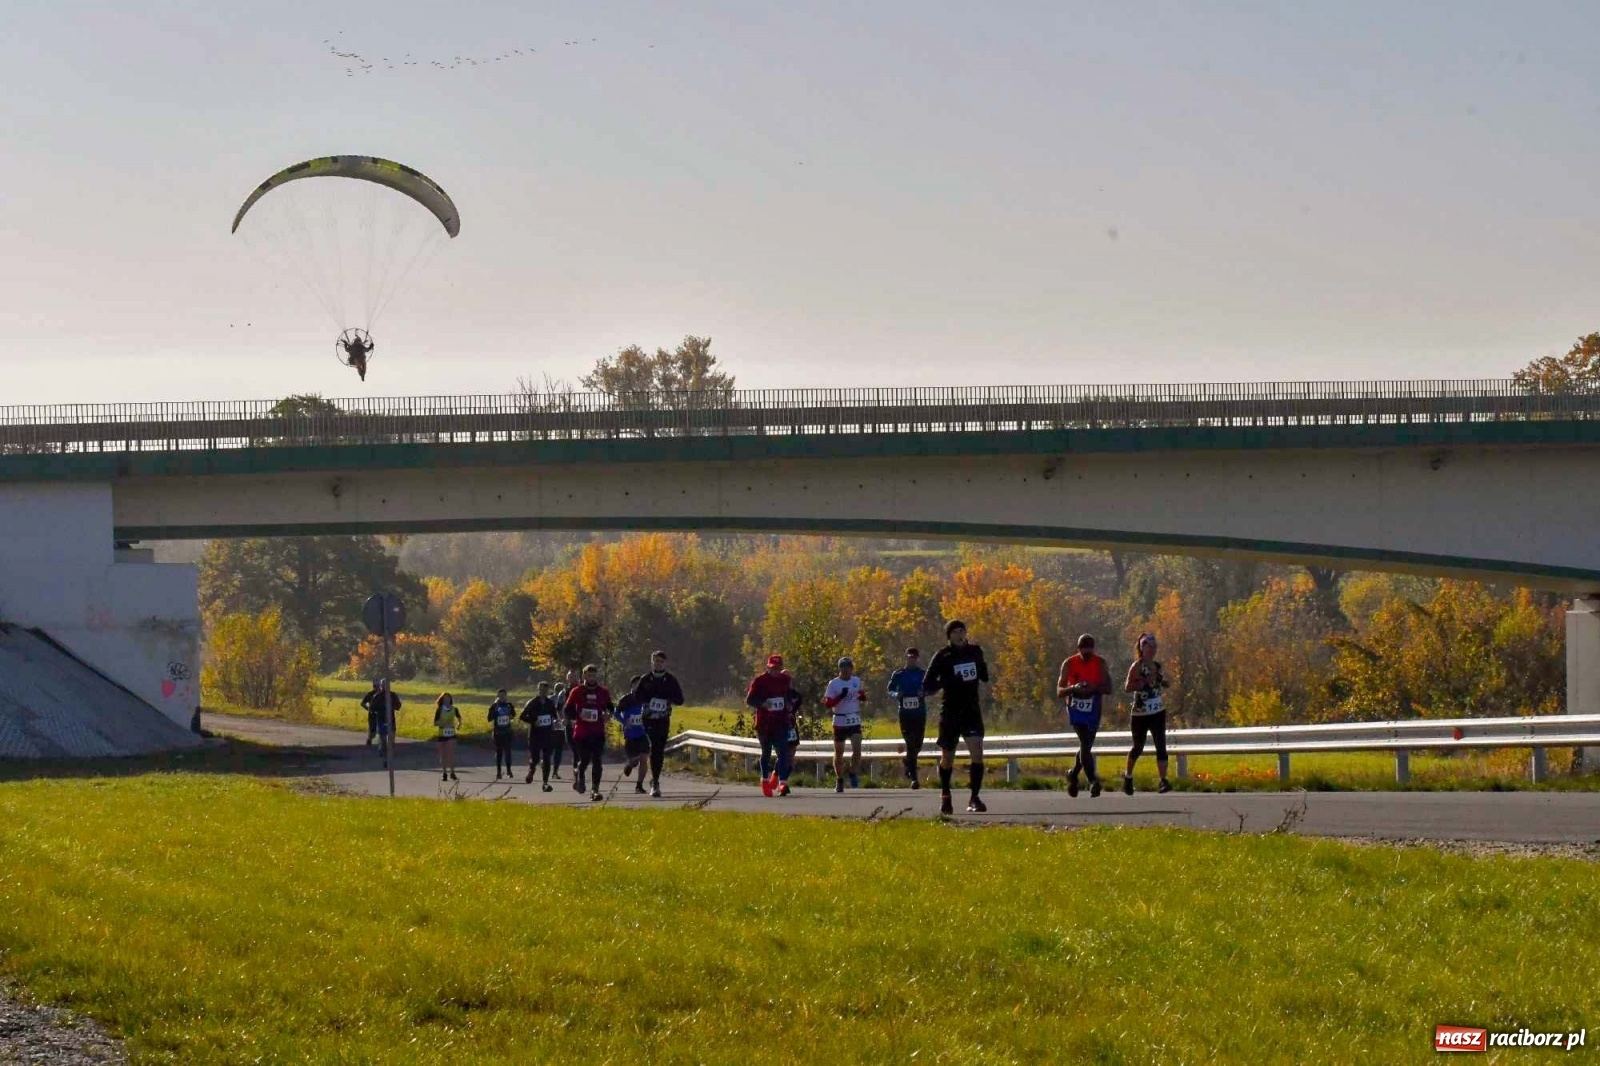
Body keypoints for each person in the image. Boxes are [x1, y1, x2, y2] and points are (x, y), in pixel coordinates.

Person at [923, 620, 989, 815]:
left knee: (977, 753)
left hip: (971, 710)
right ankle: (945, 795)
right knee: (947, 758)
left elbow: (984, 676)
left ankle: (974, 797)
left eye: (962, 630)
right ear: (949, 636)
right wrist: (948, 680)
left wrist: (982, 669)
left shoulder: (975, 651)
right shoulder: (943, 656)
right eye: (956, 632)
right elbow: (927, 685)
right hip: (950, 711)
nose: (960, 634)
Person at [1057, 634, 1112, 799]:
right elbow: (1059, 691)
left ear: (1093, 649)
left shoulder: (1100, 663)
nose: (1087, 653)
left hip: (1094, 709)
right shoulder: (1069, 663)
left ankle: (1073, 775)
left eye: (1090, 649)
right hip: (1076, 709)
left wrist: (1093, 688)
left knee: (1085, 747)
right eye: (1083, 649)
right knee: (1085, 743)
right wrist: (1074, 688)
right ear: (1078, 649)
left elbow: (1108, 688)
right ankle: (1093, 780)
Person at [1124, 632, 1174, 795]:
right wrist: (1142, 683)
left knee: (1161, 745)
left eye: (1154, 647)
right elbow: (1127, 687)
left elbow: (1163, 682)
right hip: (1140, 713)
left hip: (1157, 711)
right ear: (1142, 648)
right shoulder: (1137, 666)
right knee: (1138, 747)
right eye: (1149, 647)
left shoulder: (1157, 666)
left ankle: (1163, 780)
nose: (1152, 650)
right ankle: (1128, 776)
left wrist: (1164, 681)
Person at [633, 650, 685, 798]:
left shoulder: (670, 680)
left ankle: (655, 780)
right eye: (656, 661)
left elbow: (680, 700)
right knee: (653, 746)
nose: (658, 664)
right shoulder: (645, 679)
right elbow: (636, 697)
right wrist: (648, 699)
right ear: (652, 662)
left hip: (663, 719)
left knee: (658, 749)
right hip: (648, 719)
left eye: (661, 662)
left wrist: (668, 698)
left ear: (665, 664)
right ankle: (654, 781)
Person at [746, 654, 797, 798]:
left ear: (781, 668)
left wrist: (789, 704)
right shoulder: (759, 680)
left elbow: (790, 696)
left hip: (781, 722)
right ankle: (765, 779)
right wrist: (762, 704)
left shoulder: (786, 680)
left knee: (783, 753)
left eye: (778, 668)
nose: (775, 671)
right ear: (768, 667)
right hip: (764, 723)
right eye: (773, 668)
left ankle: (782, 782)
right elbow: (750, 700)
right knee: (766, 753)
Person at [563, 664, 614, 801]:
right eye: (589, 675)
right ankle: (580, 775)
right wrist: (574, 718)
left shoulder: (603, 691)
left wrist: (608, 714)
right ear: (584, 676)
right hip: (582, 732)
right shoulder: (577, 691)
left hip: (598, 731)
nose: (592, 678)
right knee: (584, 759)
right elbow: (567, 709)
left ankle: (595, 790)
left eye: (594, 675)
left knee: (597, 761)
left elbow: (610, 707)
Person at [822, 657, 867, 793]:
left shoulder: (856, 681)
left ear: (851, 669)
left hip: (854, 719)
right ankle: (839, 779)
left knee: (857, 749)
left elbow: (861, 694)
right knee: (839, 752)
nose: (846, 671)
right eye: (843, 668)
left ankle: (853, 772)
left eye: (848, 668)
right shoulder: (834, 684)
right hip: (840, 721)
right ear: (840, 669)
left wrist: (862, 697)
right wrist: (840, 697)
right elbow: (828, 704)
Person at [887, 647, 928, 788]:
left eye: (914, 658)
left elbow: (931, 688)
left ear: (918, 659)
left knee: (918, 745)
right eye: (909, 657)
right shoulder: (898, 674)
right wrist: (896, 695)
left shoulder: (923, 674)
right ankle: (914, 779)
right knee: (910, 744)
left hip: (920, 714)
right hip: (905, 714)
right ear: (906, 658)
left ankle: (907, 762)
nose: (912, 660)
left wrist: (924, 693)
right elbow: (890, 689)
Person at [520, 682, 560, 790]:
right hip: (535, 735)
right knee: (535, 758)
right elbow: (522, 716)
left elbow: (555, 715)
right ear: (538, 690)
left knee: (547, 759)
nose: (543, 692)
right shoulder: (532, 702)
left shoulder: (550, 703)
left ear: (548, 691)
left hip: (547, 735)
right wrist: (533, 722)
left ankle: (545, 783)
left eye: (545, 691)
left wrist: (556, 721)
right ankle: (531, 770)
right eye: (541, 690)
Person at [615, 676, 650, 794]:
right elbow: (616, 713)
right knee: (635, 761)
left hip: (642, 733)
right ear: (632, 685)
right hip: (630, 734)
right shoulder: (626, 699)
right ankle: (630, 764)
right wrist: (625, 722)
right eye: (637, 684)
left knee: (644, 758)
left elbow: (649, 712)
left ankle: (639, 785)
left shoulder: (646, 699)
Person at [362, 678, 402, 768]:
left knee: (390, 739)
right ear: (382, 686)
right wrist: (375, 709)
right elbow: (372, 708)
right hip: (382, 720)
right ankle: (384, 756)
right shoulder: (377, 696)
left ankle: (388, 753)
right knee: (384, 738)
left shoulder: (393, 695)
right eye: (384, 685)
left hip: (390, 719)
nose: (385, 687)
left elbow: (398, 705)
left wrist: (393, 707)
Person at [488, 688, 517, 780]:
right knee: (499, 752)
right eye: (500, 696)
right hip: (498, 733)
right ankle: (499, 772)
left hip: (507, 732)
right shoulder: (494, 706)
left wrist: (509, 716)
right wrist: (495, 713)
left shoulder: (509, 705)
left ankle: (509, 771)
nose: (502, 697)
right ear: (497, 696)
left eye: (503, 695)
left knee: (508, 752)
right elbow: (489, 719)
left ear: (506, 696)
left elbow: (513, 715)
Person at [434, 692, 461, 782]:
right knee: (443, 755)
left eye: (448, 698)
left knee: (451, 754)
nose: (447, 700)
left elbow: (459, 718)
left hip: (451, 734)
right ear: (442, 700)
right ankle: (444, 773)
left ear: (450, 699)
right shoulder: (439, 710)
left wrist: (459, 724)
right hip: (442, 734)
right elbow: (435, 722)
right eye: (445, 698)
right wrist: (442, 723)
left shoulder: (454, 709)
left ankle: (452, 773)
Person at [360, 676, 385, 746]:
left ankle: (382, 743)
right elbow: (362, 703)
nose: (376, 687)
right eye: (375, 686)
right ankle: (369, 740)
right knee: (373, 730)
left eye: (377, 686)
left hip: (381, 714)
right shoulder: (370, 694)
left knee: (383, 728)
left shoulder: (383, 694)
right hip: (372, 714)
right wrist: (368, 709)